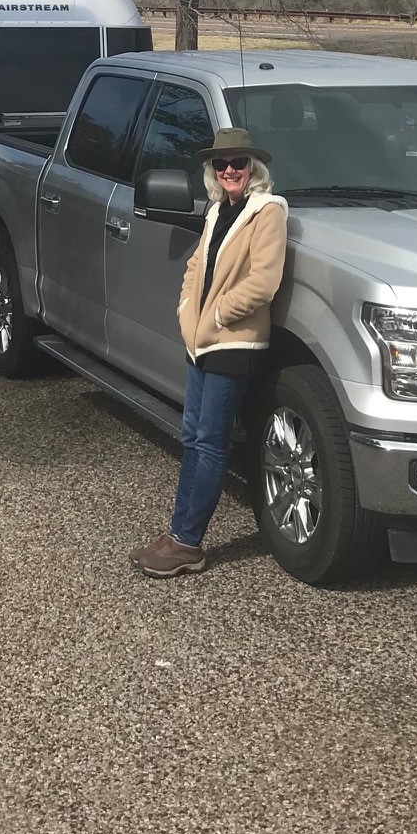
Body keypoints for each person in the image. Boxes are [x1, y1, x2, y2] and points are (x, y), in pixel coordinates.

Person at [130, 126, 288, 579]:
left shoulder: (268, 212)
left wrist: (217, 315)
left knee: (211, 442)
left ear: (253, 169)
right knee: (192, 437)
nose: (229, 170)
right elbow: (196, 264)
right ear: (212, 171)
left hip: (235, 343)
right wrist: (187, 310)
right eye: (221, 164)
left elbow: (264, 282)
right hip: (201, 343)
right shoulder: (218, 210)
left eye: (238, 163)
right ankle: (178, 533)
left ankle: (188, 542)